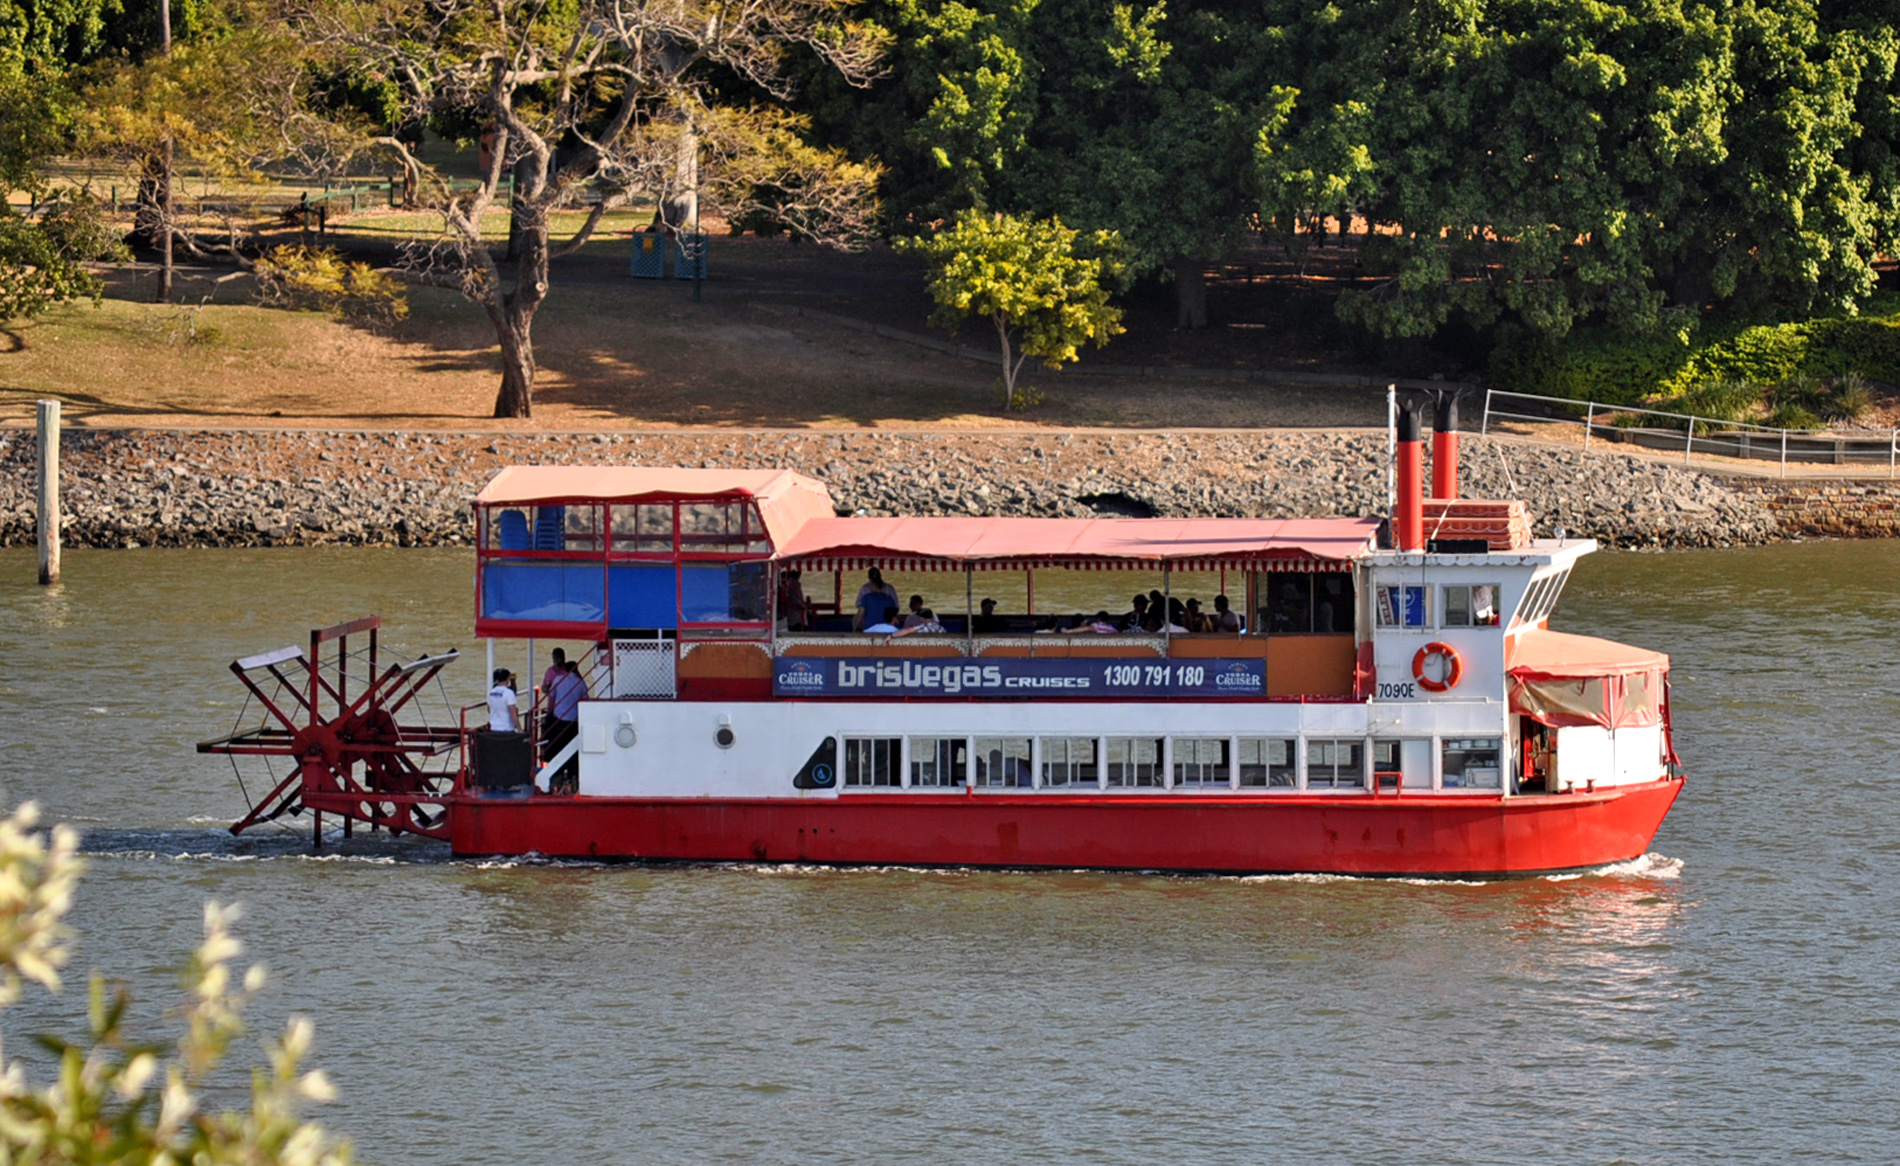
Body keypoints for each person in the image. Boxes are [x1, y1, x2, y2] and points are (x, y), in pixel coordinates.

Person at [543, 660, 587, 795]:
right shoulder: (580, 683)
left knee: (557, 748)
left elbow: (551, 698)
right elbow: (586, 699)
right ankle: (573, 777)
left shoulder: (557, 680)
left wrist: (550, 713)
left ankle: (557, 778)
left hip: (559, 720)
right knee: (573, 751)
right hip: (574, 722)